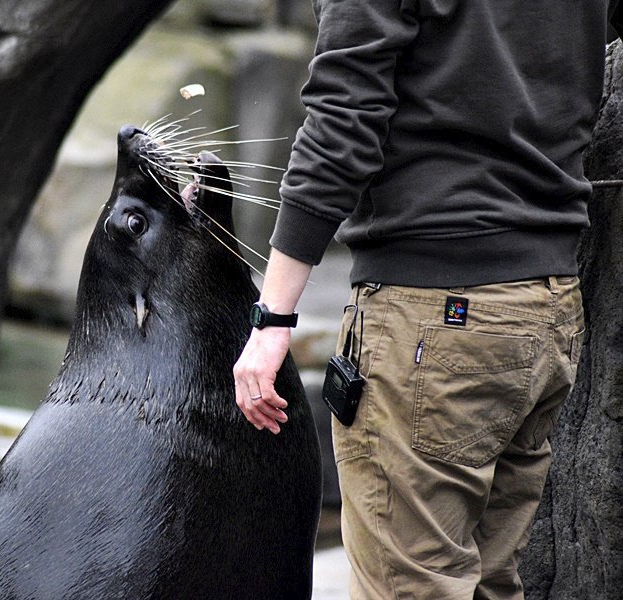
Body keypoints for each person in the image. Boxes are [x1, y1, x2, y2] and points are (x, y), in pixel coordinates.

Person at [233, 1, 623, 599]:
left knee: (411, 588)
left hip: (431, 312)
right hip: (548, 306)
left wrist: (274, 316)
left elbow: (342, 125)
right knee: (492, 583)